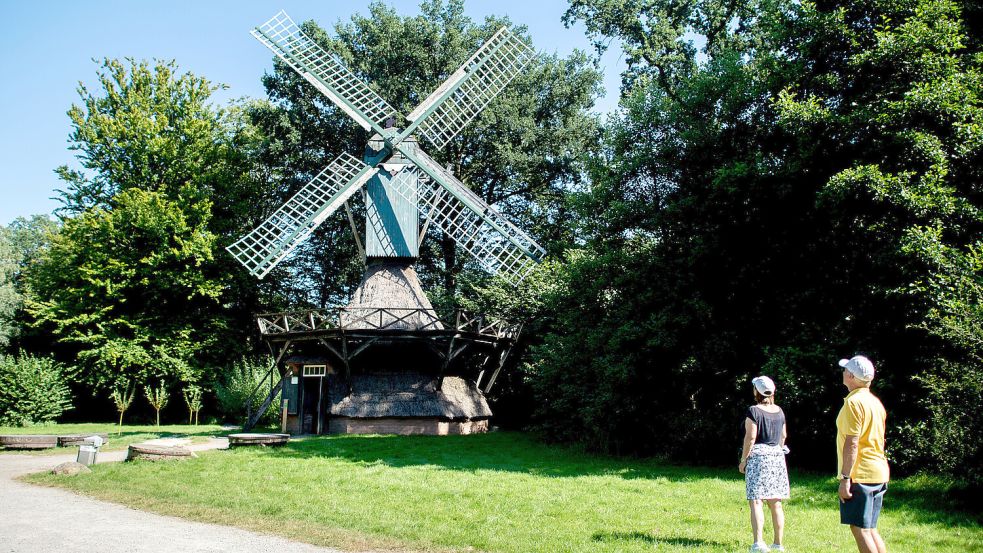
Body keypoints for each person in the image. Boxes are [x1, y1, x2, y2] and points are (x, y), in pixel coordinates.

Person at [836, 355, 890, 553]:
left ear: (851, 376)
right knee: (870, 528)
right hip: (879, 471)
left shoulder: (853, 403)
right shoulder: (875, 402)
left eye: (845, 370)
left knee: (859, 529)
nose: (843, 372)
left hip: (861, 473)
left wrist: (845, 478)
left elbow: (852, 442)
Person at [739, 375, 789, 552]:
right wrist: (777, 450)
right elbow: (783, 436)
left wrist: (744, 460)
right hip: (777, 455)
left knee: (757, 501)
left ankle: (759, 543)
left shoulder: (754, 410)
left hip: (759, 456)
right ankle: (778, 544)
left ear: (756, 391)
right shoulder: (780, 411)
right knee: (776, 502)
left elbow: (751, 437)